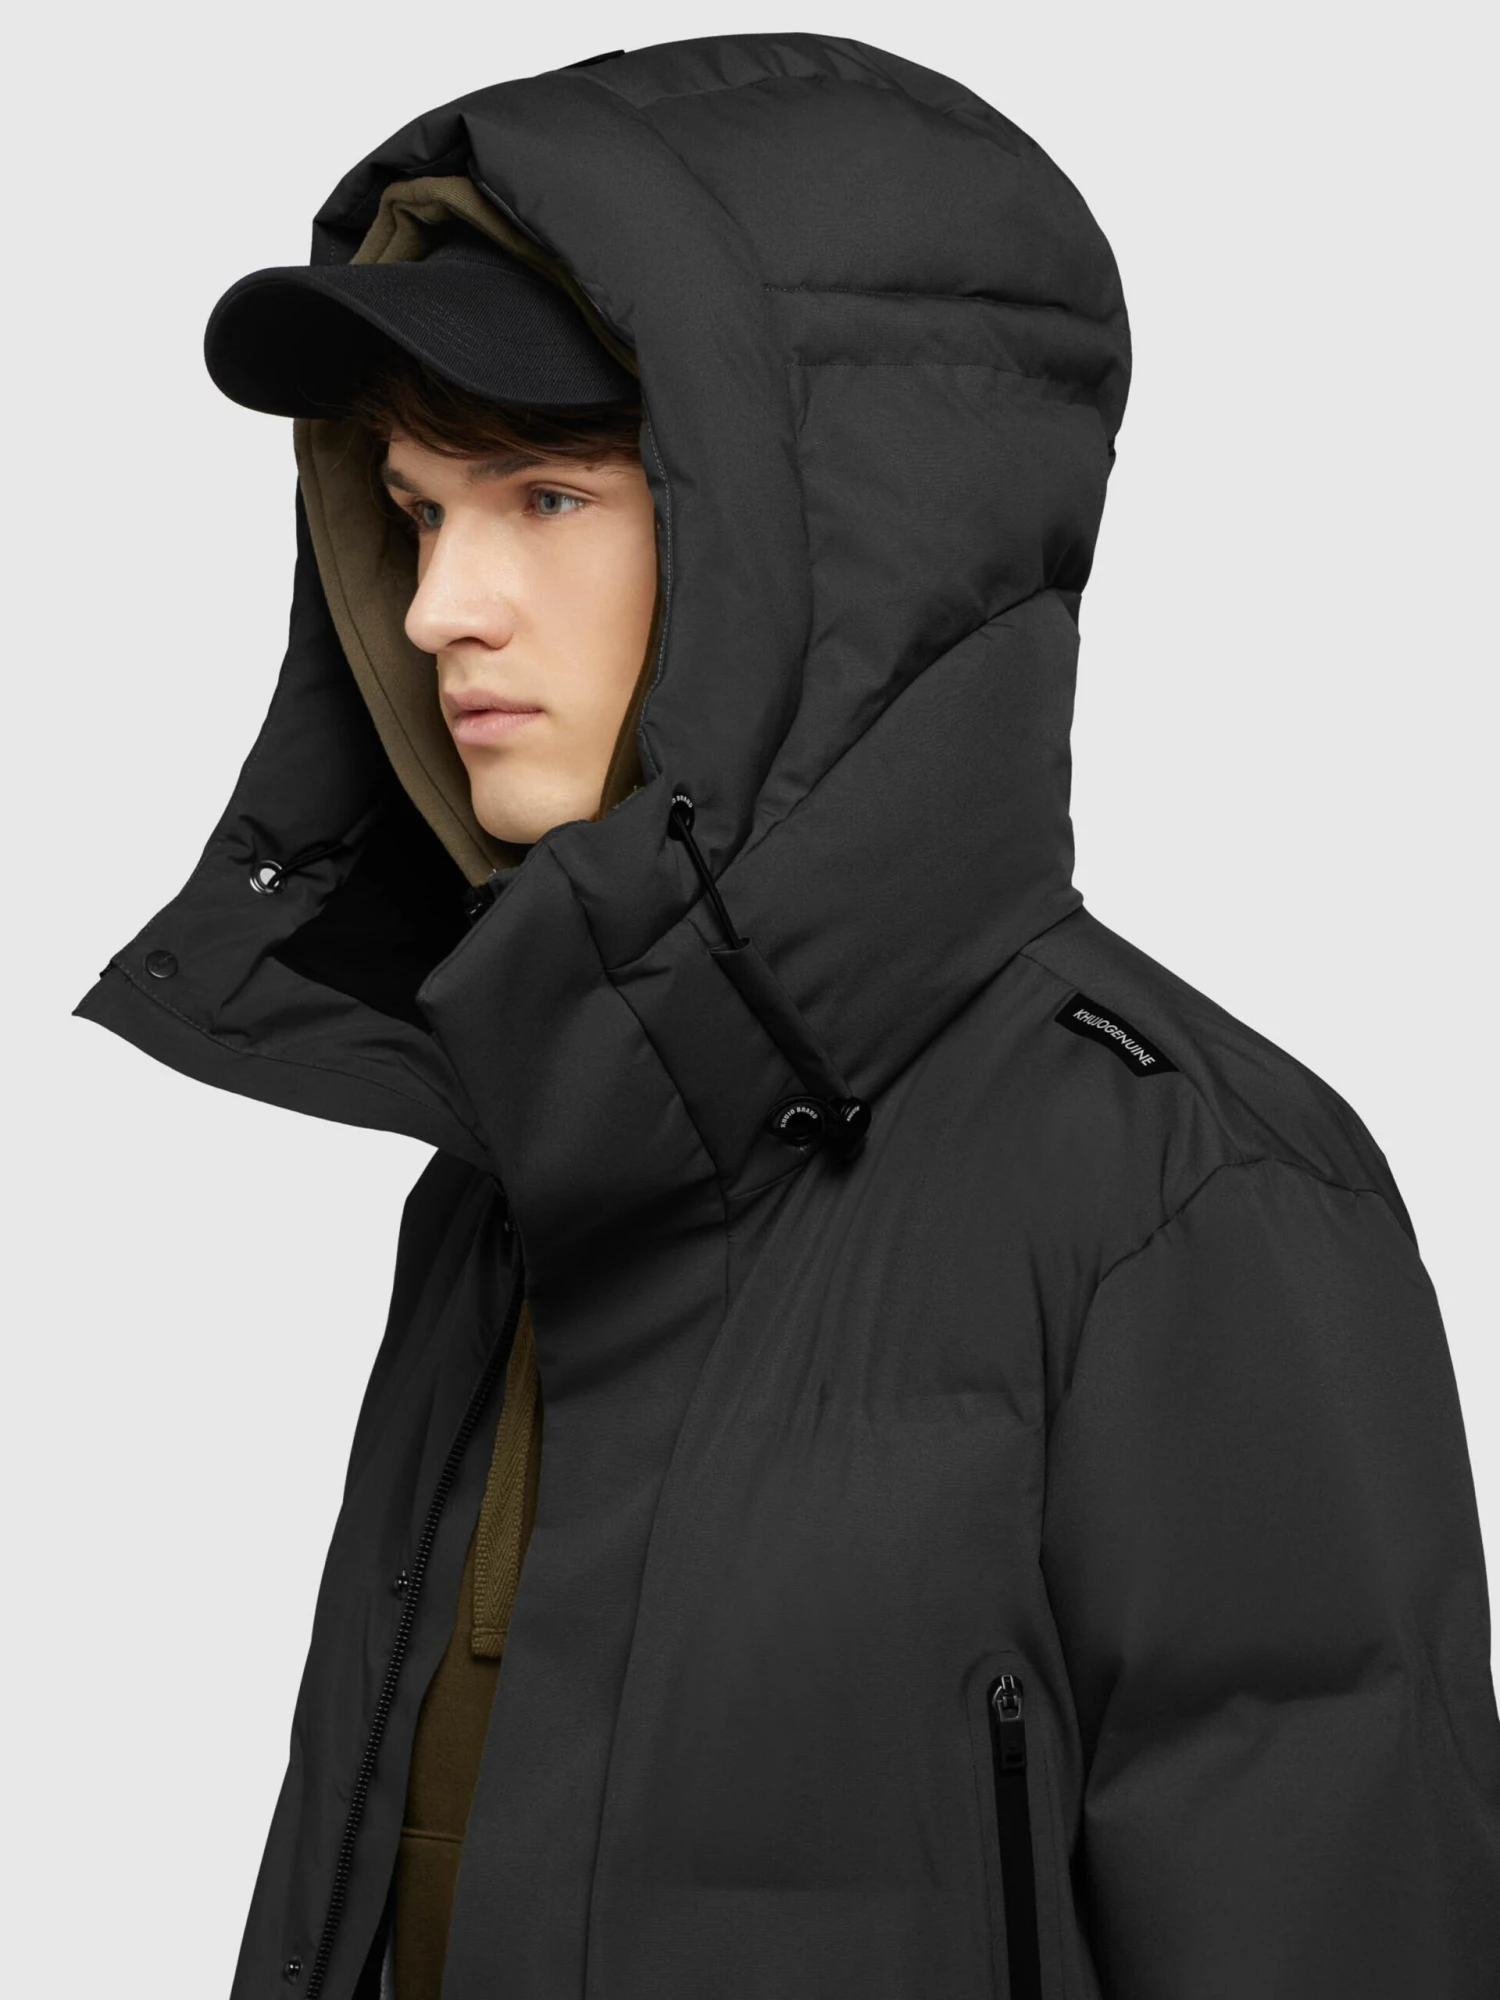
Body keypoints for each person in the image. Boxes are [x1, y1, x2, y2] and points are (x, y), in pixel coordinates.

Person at [73, 32, 1500, 2000]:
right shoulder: (500, 1195)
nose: (436, 606)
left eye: (546, 493)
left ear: (824, 550)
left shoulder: (1186, 1201)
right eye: (416, 510)